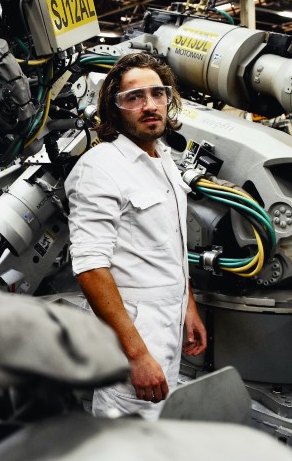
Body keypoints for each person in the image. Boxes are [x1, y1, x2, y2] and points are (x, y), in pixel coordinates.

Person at [65, 52, 207, 420]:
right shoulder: (100, 168)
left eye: (157, 94)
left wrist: (187, 306)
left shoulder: (165, 162)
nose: (149, 106)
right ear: (114, 109)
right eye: (134, 97)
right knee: (126, 438)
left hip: (169, 327)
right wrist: (137, 355)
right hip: (134, 338)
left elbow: (172, 245)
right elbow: (90, 267)